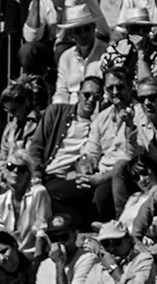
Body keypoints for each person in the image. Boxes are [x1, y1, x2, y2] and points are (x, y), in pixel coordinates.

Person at [28, 73, 104, 228]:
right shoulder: (56, 112)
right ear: (78, 94)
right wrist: (36, 174)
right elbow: (36, 147)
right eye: (87, 95)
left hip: (71, 178)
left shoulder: (100, 124)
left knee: (46, 196)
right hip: (47, 174)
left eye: (96, 97)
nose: (91, 100)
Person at [0, 213, 100, 284]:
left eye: (64, 236)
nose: (60, 242)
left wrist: (59, 264)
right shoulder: (45, 264)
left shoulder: (87, 259)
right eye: (54, 238)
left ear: (74, 235)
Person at [20, 0, 107, 80]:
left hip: (91, 34)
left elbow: (73, 1)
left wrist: (59, 40)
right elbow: (31, 37)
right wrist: (36, 0)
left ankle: (62, 86)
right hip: (61, 45)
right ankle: (33, 87)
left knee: (62, 48)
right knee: (27, 50)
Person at [85, 219, 157, 284]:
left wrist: (112, 268)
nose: (112, 247)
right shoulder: (98, 267)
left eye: (117, 242)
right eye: (106, 244)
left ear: (128, 240)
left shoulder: (143, 260)